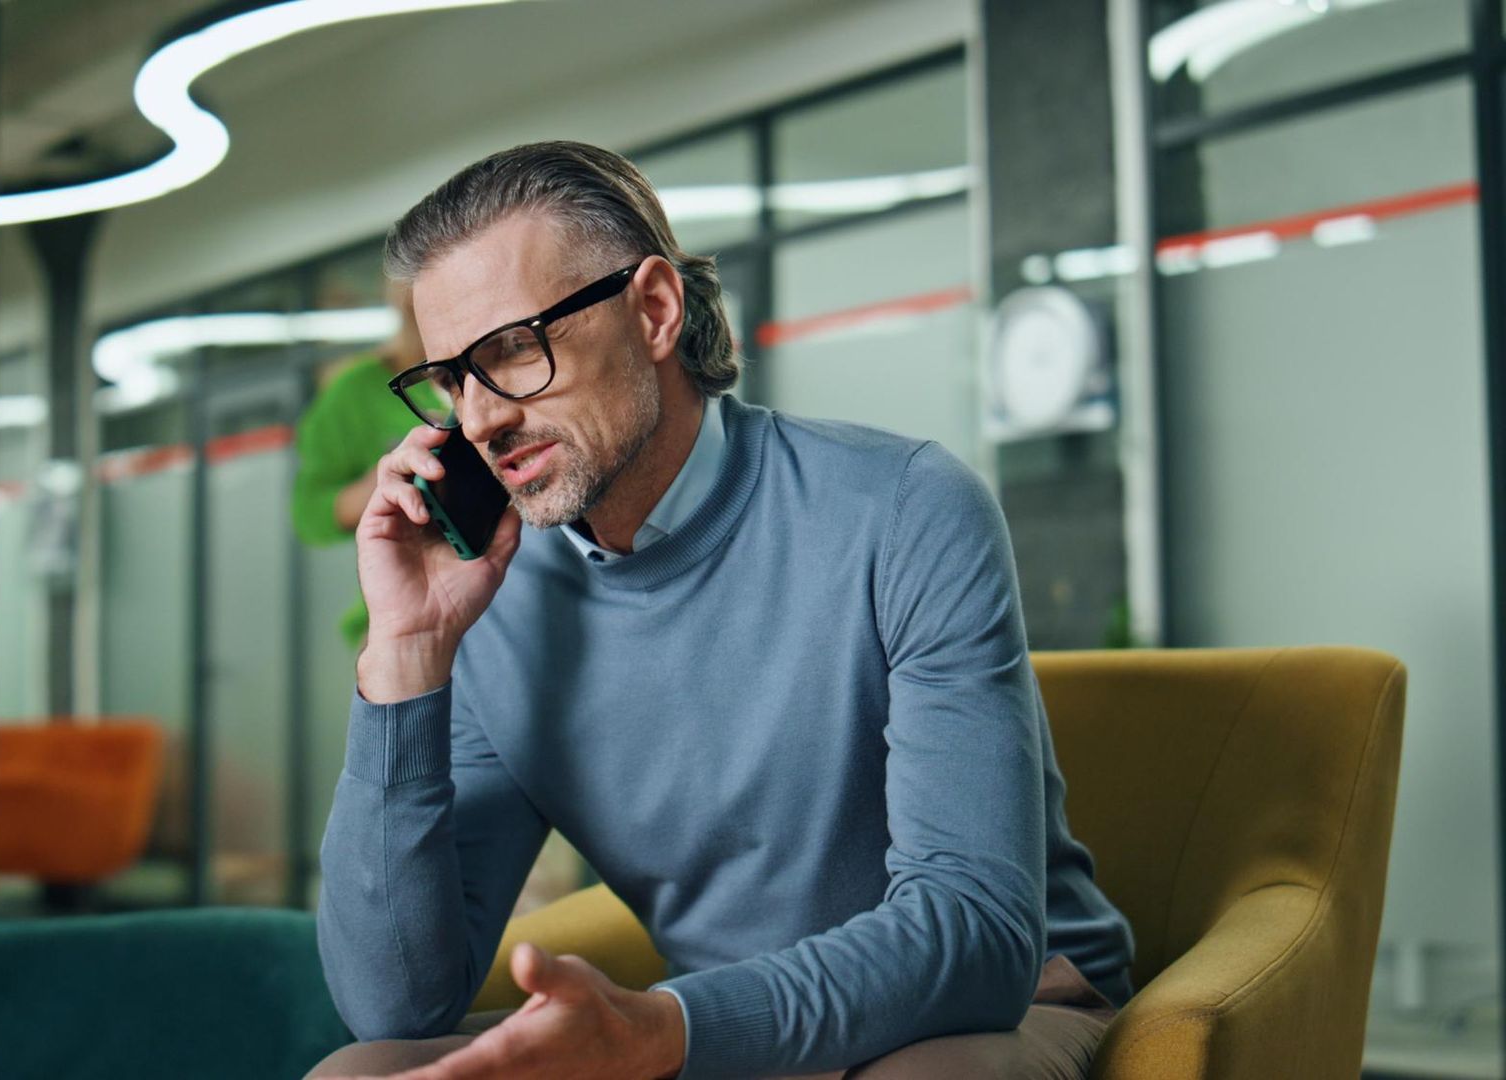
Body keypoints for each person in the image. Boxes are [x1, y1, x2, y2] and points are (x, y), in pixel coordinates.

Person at [309, 141, 1135, 1080]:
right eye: (453, 377)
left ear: (654, 311)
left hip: (996, 1009)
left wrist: (666, 1029)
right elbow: (395, 1003)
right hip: (725, 1025)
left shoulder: (906, 507)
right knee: (360, 1075)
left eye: (513, 352)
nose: (481, 419)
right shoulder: (495, 602)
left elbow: (974, 936)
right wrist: (405, 654)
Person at [290, 278, 436, 648]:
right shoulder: (357, 391)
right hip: (418, 602)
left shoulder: (489, 368)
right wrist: (387, 479)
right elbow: (310, 514)